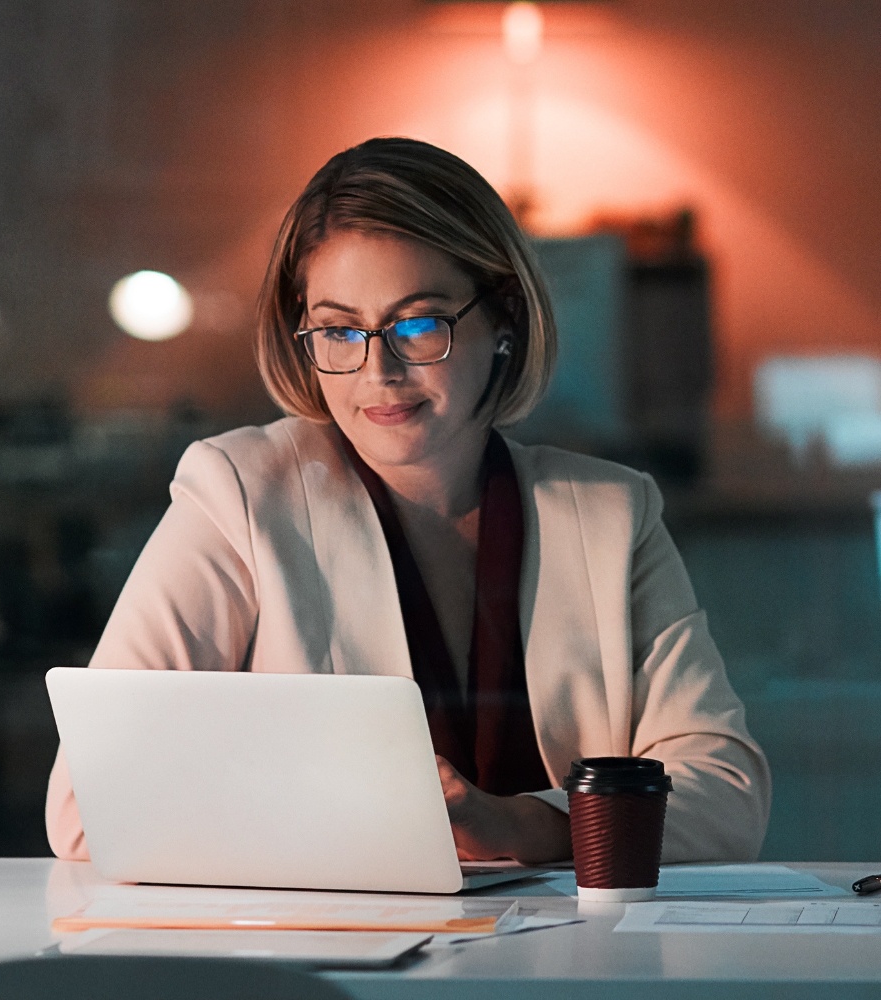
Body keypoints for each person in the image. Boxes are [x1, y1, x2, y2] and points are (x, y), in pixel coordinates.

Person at [46, 137, 770, 865]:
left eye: (419, 324)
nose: (378, 370)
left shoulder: (613, 514)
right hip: (336, 963)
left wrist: (529, 826)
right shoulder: (239, 493)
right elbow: (88, 807)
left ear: (505, 318)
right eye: (338, 330)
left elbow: (727, 792)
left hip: (568, 968)